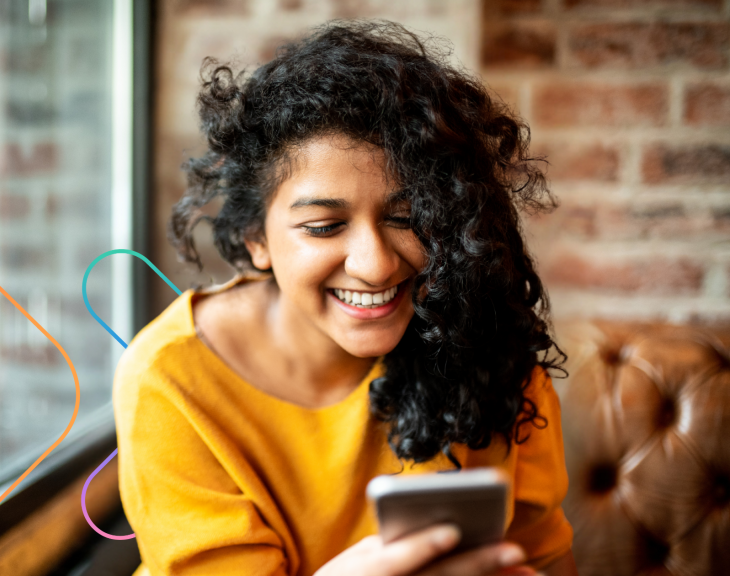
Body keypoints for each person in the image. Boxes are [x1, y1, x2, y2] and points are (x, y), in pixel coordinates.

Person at [114, 20, 579, 576]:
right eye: (323, 226)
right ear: (256, 238)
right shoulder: (171, 379)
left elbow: (543, 551)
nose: (376, 263)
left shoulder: (488, 339)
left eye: (408, 217)